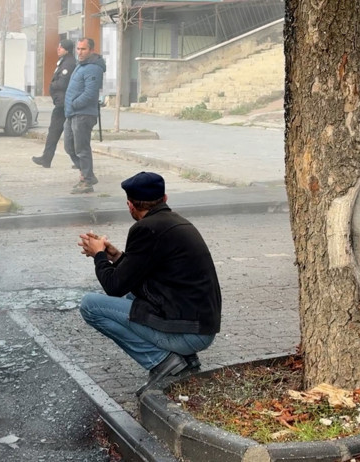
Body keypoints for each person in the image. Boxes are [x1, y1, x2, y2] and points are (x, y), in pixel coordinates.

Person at [77, 172, 222, 396]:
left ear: (130, 205)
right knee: (133, 298)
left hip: (190, 333)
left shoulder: (145, 229)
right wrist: (114, 256)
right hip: (200, 326)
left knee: (90, 305)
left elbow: (114, 286)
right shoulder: (175, 222)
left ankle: (163, 362)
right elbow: (139, 271)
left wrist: (99, 256)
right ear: (165, 198)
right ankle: (185, 359)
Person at [64, 38, 106, 194]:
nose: (79, 52)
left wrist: (74, 103)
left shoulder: (93, 68)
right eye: (78, 49)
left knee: (82, 149)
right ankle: (88, 175)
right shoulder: (81, 65)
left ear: (91, 50)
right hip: (72, 114)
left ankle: (87, 181)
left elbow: (90, 93)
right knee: (69, 147)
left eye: (83, 49)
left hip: (82, 114)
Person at [32, 39, 76, 168]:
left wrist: (52, 85)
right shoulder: (65, 61)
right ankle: (48, 158)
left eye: (60, 47)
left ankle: (47, 159)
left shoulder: (68, 63)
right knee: (62, 132)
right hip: (61, 103)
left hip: (63, 104)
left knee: (56, 132)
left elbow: (63, 83)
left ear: (66, 50)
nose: (58, 49)